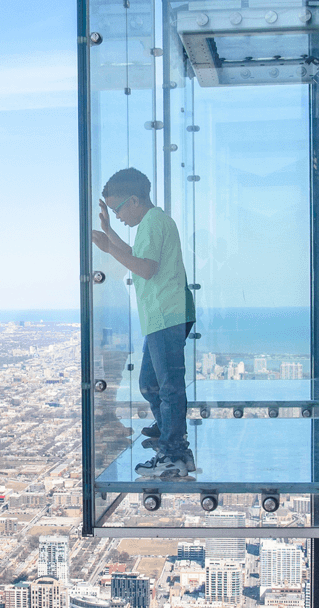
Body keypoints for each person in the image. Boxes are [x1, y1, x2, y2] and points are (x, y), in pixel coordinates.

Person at [91, 167, 196, 479]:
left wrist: (110, 248)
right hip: (163, 316)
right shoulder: (154, 221)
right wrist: (109, 234)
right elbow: (136, 256)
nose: (119, 216)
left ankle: (173, 452)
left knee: (168, 387)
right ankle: (168, 433)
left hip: (166, 315)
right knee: (150, 383)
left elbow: (146, 269)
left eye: (117, 209)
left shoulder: (152, 223)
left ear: (133, 201)